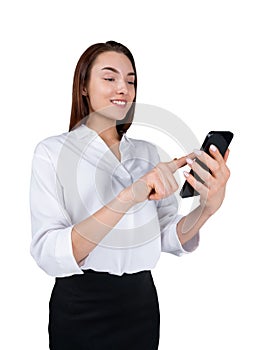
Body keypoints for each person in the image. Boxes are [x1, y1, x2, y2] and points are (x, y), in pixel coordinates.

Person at [29, 40, 231, 350]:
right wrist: (129, 196)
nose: (123, 88)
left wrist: (209, 207)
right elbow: (48, 250)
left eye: (131, 80)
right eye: (109, 78)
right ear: (83, 86)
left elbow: (165, 234)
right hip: (81, 305)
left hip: (140, 304)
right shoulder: (53, 153)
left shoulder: (147, 154)